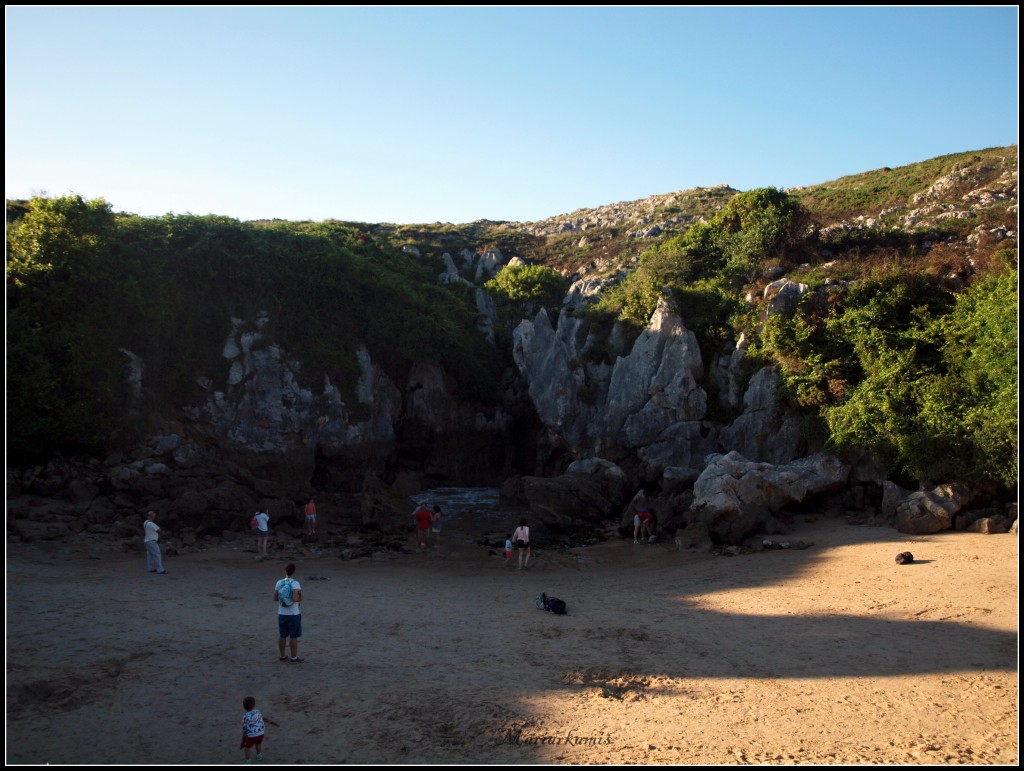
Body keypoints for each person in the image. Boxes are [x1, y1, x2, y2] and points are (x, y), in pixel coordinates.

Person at [274, 563, 304, 662]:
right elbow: (296, 598)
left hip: (282, 613)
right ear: (294, 572)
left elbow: (275, 598)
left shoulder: (279, 582)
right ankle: (294, 657)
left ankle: (282, 656)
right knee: (293, 636)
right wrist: (301, 597)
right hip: (293, 614)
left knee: (282, 635)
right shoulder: (295, 583)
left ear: (285, 571)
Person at [240, 695, 279, 764]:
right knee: (258, 743)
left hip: (251, 735)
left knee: (247, 747)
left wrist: (244, 737)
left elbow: (244, 728)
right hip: (261, 733)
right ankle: (259, 756)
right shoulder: (258, 711)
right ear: (254, 705)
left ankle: (248, 761)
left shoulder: (245, 716)